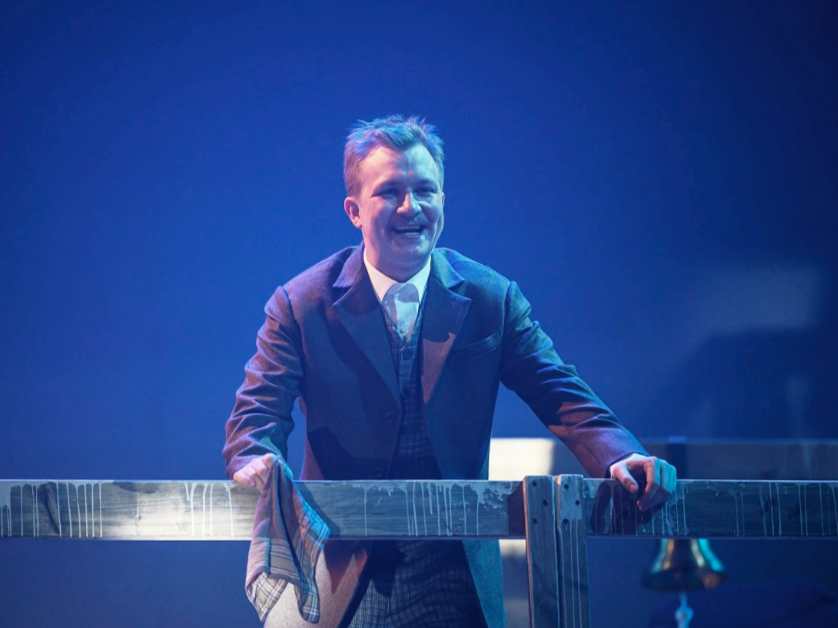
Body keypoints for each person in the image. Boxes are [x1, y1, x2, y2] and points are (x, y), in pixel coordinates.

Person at [223, 114, 676, 628]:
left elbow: (558, 389)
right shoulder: (300, 303)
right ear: (354, 210)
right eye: (389, 192)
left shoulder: (491, 298)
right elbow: (256, 413)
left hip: (454, 577)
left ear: (443, 200)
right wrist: (255, 455)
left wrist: (622, 454)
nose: (410, 207)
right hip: (340, 573)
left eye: (424, 190)